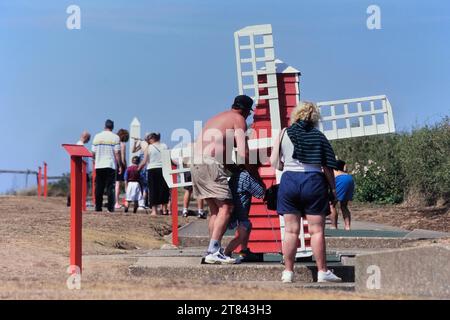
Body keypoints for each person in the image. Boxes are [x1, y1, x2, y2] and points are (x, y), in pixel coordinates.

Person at [270, 101, 342, 283]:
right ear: (315, 118)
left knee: (291, 231)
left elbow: (274, 162)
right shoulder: (319, 136)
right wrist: (333, 189)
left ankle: (288, 272)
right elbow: (327, 166)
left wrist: (285, 165)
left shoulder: (284, 133)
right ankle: (322, 272)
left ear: (296, 115)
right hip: (313, 181)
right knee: (316, 231)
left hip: (289, 181)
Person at [191, 94, 253, 264]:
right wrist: (251, 171)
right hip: (210, 164)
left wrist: (234, 168)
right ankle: (213, 251)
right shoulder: (238, 119)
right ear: (246, 110)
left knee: (215, 211)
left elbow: (223, 154)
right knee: (227, 207)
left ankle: (211, 250)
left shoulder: (218, 118)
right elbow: (243, 153)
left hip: (196, 162)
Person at [223, 163, 265, 262]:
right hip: (239, 211)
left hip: (235, 208)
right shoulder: (246, 176)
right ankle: (227, 252)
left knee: (248, 225)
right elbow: (260, 193)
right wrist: (258, 178)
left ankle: (244, 251)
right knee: (244, 230)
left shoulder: (237, 175)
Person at [91, 119, 121, 213]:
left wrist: (95, 161)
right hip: (110, 165)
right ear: (112, 127)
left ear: (104, 126)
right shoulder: (116, 137)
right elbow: (117, 153)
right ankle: (110, 208)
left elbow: (93, 152)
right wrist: (119, 165)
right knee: (110, 187)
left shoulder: (97, 136)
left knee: (99, 187)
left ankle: (98, 207)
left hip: (99, 165)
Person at [138, 132, 170, 216]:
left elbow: (144, 161)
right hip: (164, 169)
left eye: (148, 139)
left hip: (152, 169)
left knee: (153, 190)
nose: (148, 141)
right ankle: (164, 210)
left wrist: (138, 168)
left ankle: (154, 211)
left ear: (152, 138)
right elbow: (169, 158)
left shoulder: (149, 147)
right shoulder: (165, 146)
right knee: (164, 189)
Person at [67, 131, 91, 207]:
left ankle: (73, 200)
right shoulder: (81, 146)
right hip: (83, 171)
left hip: (79, 170)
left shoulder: (77, 145)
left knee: (77, 187)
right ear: (86, 137)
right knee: (84, 187)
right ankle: (81, 201)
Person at [329, 160, 355, 230]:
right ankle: (347, 226)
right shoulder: (344, 172)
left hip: (340, 180)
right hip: (349, 179)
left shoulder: (332, 171)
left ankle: (333, 226)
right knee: (344, 205)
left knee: (332, 205)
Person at [115, 129, 130, 209]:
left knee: (117, 184)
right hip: (122, 165)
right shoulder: (123, 144)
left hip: (115, 164)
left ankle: (116, 202)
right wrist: (126, 166)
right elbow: (123, 158)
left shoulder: (115, 144)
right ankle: (127, 201)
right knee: (125, 183)